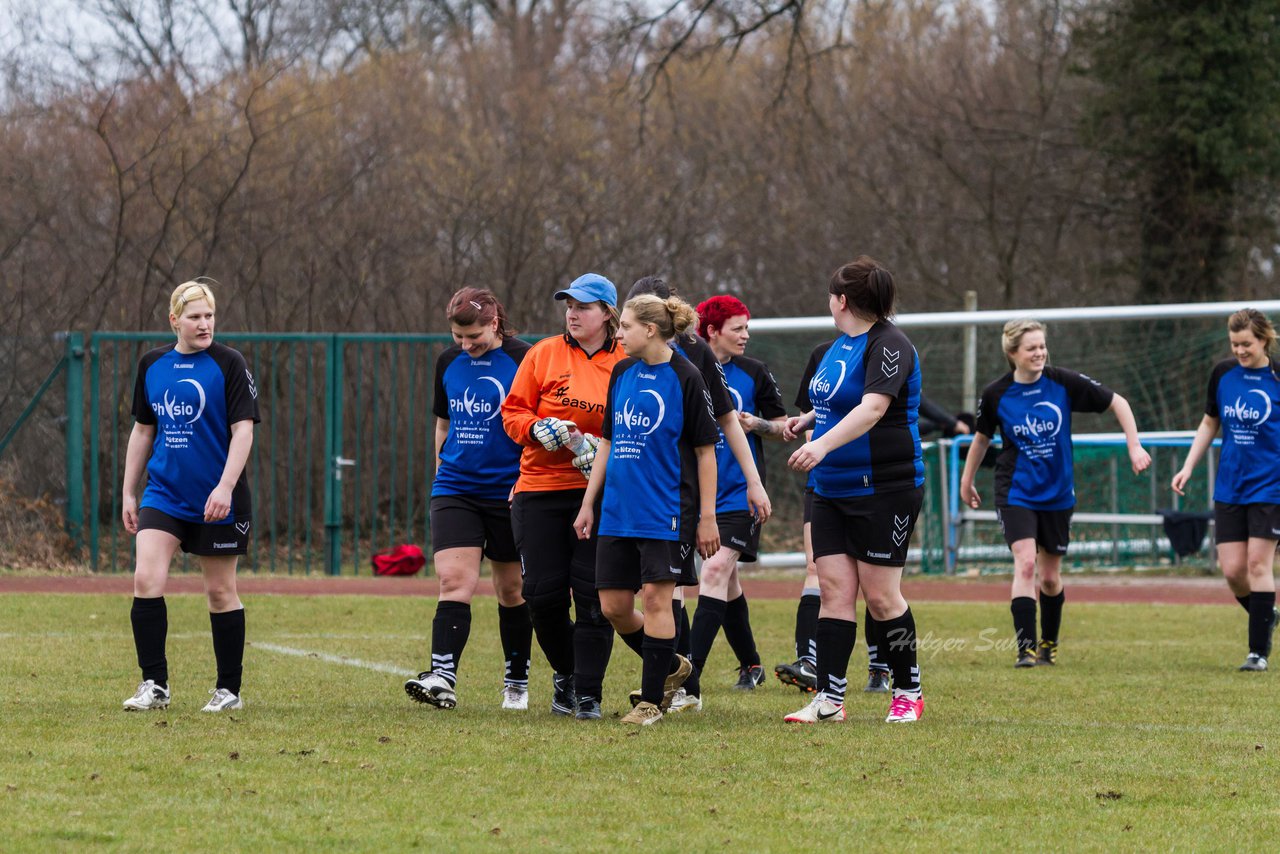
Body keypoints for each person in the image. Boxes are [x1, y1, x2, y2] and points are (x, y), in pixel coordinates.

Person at [782, 256, 927, 724]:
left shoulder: (891, 344)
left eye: (830, 295)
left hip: (885, 489)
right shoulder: (835, 347)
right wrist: (805, 421)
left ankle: (908, 692)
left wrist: (819, 445)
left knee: (882, 597)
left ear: (841, 300)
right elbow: (831, 402)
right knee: (833, 591)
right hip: (829, 489)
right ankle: (829, 699)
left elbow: (871, 409)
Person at [960, 319, 1151, 668]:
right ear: (1012, 353)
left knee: (1049, 577)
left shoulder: (1061, 382)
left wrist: (1134, 445)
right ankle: (1026, 649)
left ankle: (1049, 642)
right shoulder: (995, 394)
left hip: (1058, 492)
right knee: (1027, 562)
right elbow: (981, 438)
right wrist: (966, 480)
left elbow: (1118, 403)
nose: (1039, 353)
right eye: (1031, 348)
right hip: (1015, 490)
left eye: (1042, 346)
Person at [572, 294, 720, 725]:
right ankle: (671, 666)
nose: (618, 335)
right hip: (618, 510)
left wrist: (707, 517)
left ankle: (651, 701)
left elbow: (706, 452)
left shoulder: (686, 376)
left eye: (626, 327)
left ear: (650, 330)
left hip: (666, 510)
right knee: (614, 606)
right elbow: (607, 442)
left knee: (657, 599)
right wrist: (588, 503)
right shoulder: (621, 372)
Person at [626, 276, 772, 692]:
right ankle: (699, 680)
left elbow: (728, 420)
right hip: (659, 493)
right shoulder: (624, 354)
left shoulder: (695, 353)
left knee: (709, 575)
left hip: (710, 493)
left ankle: (688, 682)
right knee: (669, 594)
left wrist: (754, 482)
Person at [120, 279, 260, 713]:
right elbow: (144, 430)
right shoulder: (152, 365)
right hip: (163, 495)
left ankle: (228, 691)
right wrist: (128, 491)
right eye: (195, 316)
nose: (204, 324)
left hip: (217, 499)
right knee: (146, 579)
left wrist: (224, 486)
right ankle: (154, 685)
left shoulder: (229, 363)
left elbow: (244, 431)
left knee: (220, 592)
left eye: (209, 316)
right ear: (174, 319)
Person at [500, 273, 625, 719]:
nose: (573, 313)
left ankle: (588, 695)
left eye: (584, 306)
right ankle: (567, 676)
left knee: (593, 598)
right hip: (540, 490)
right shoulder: (544, 353)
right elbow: (513, 412)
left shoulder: (627, 360)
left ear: (608, 314)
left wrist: (605, 454)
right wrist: (535, 427)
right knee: (542, 596)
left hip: (600, 494)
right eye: (569, 305)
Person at [404, 288, 534, 711]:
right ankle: (442, 676)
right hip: (456, 488)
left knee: (511, 589)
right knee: (453, 581)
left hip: (510, 491)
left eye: (474, 336)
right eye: (459, 337)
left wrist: (526, 480)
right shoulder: (448, 362)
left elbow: (535, 427)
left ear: (494, 322)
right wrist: (442, 471)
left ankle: (516, 678)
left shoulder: (524, 359)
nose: (466, 345)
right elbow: (443, 425)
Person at [676, 295, 787, 711]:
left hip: (741, 496)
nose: (746, 335)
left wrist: (753, 423)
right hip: (700, 495)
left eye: (747, 327)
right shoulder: (684, 370)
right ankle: (751, 663)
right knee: (727, 581)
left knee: (717, 568)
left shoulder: (754, 373)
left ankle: (690, 676)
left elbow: (784, 426)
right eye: (738, 328)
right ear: (711, 331)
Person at [777, 347, 893, 696]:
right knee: (819, 572)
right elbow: (812, 416)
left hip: (868, 483)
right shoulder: (821, 356)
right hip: (824, 483)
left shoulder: (884, 352)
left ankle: (880, 667)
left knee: (875, 586)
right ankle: (810, 663)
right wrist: (812, 440)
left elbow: (877, 412)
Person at [1172, 308, 1280, 671]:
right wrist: (1188, 466)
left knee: (1257, 564)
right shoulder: (1222, 373)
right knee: (1233, 571)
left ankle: (1257, 653)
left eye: (1246, 344)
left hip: (1271, 487)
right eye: (1234, 344)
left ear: (1264, 339)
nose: (1240, 351)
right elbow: (1209, 423)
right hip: (1230, 487)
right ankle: (1267, 615)